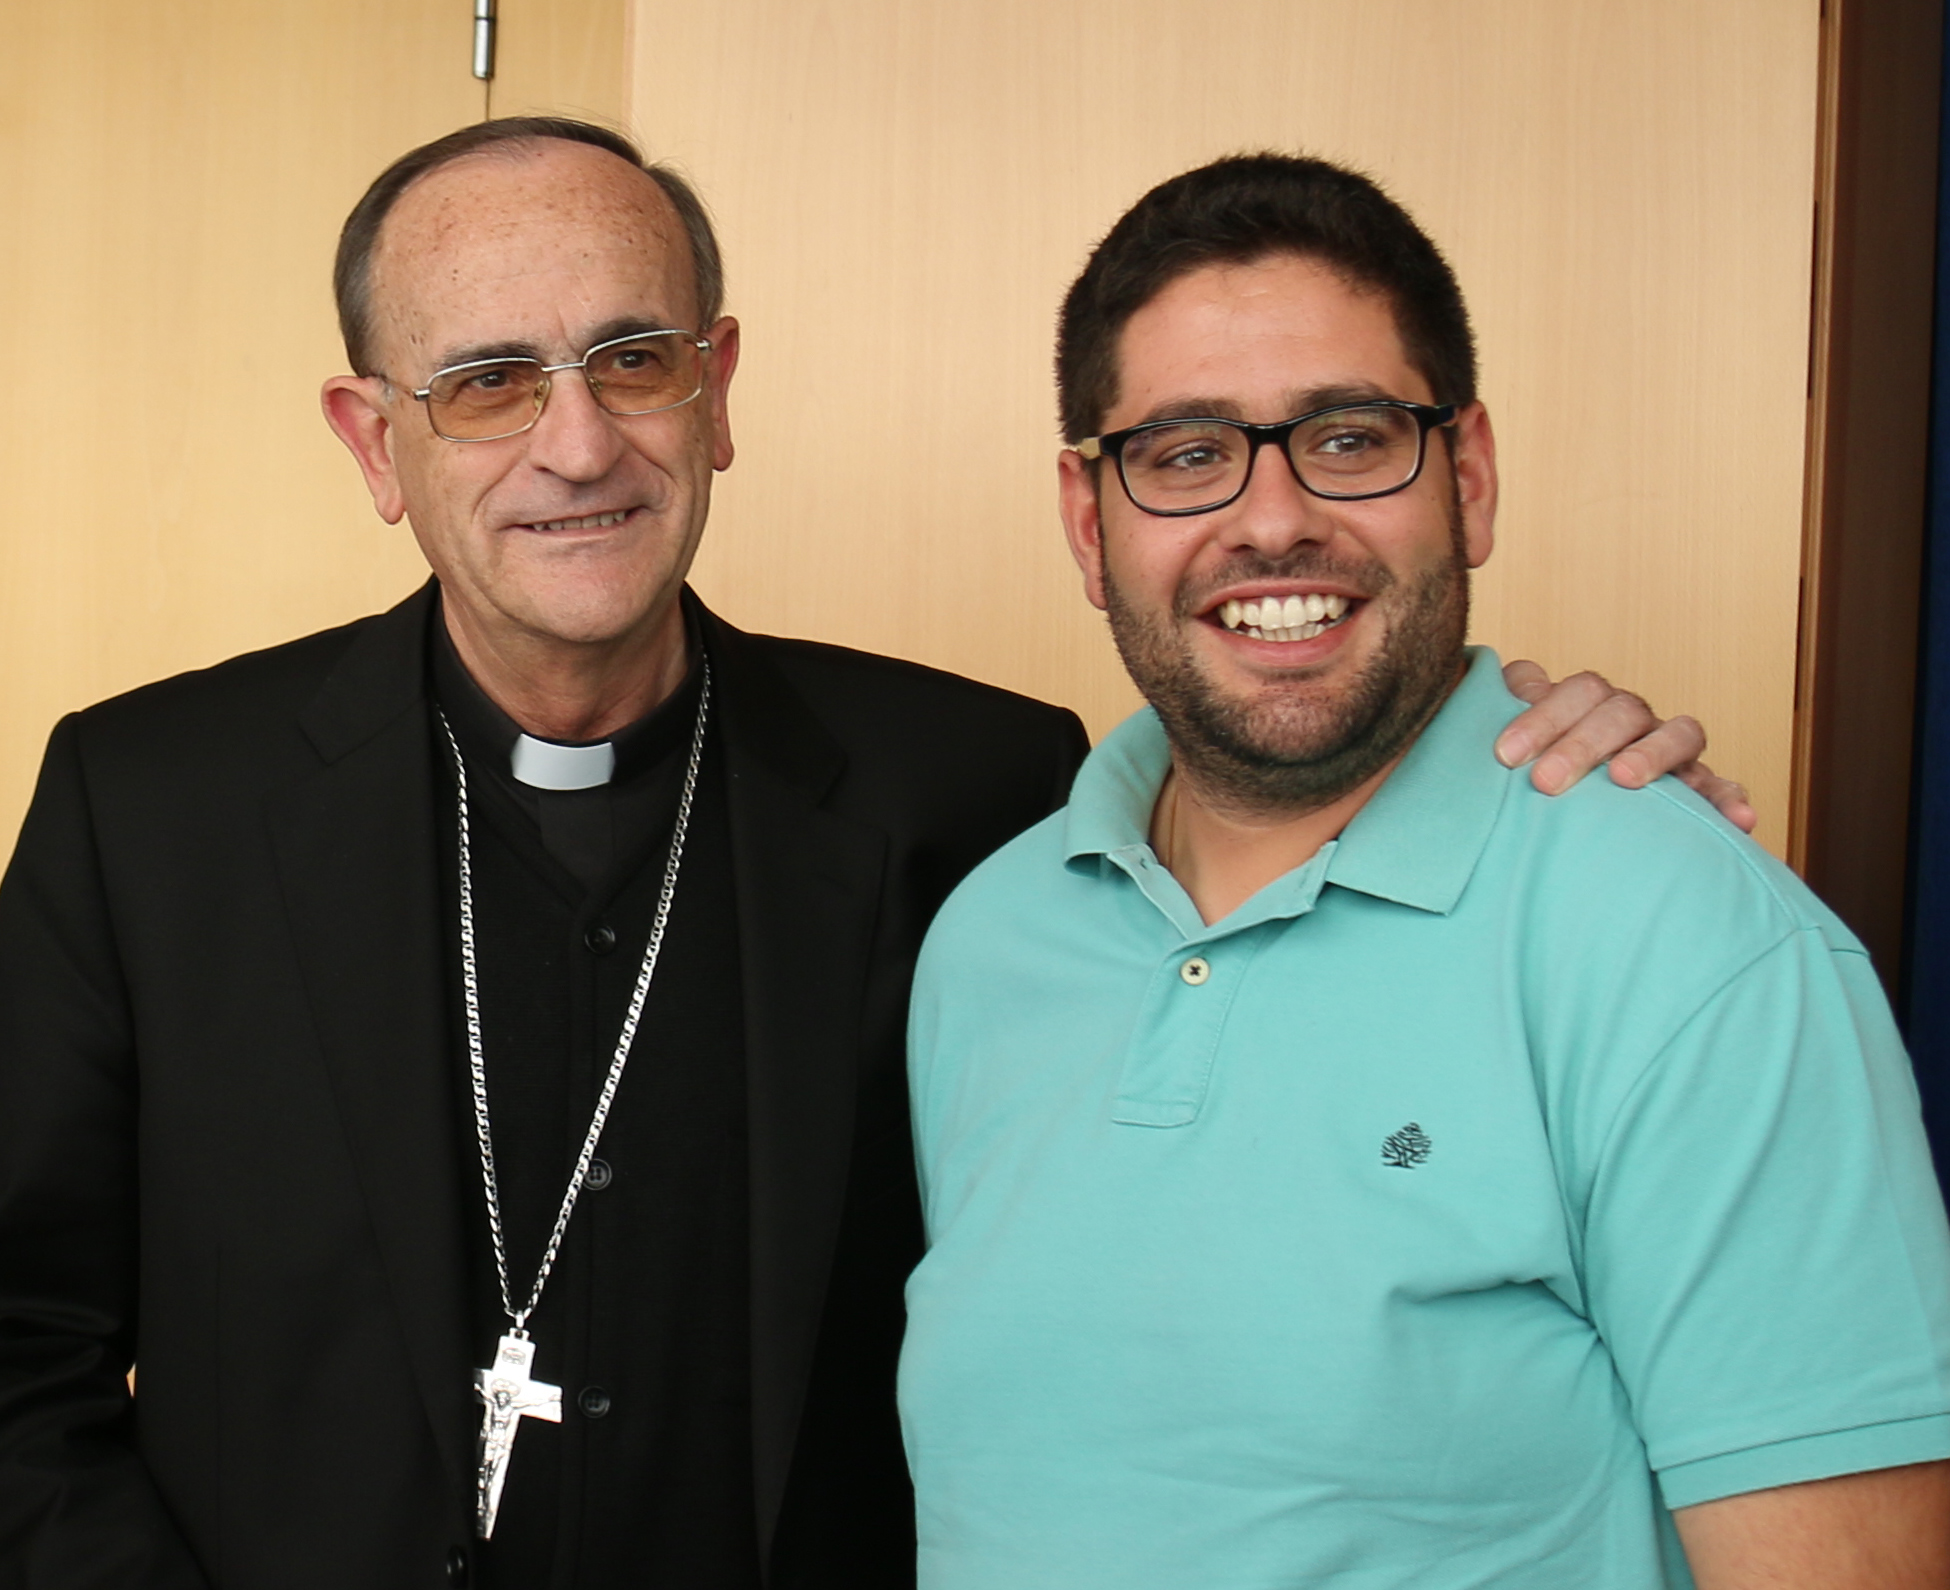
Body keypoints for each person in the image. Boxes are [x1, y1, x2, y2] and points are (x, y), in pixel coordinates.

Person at [0, 120, 1740, 1590]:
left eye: (634, 359)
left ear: (718, 390)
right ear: (372, 438)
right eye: (486, 383)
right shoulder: (145, 807)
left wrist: (1522, 751)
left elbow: (1271, 960)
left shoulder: (980, 788)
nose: (578, 443)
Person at [900, 153, 1950, 1590]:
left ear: (1469, 479)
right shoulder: (988, 939)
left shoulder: (1693, 945)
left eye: (1346, 438)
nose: (1272, 519)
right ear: (1092, 526)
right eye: (1187, 453)